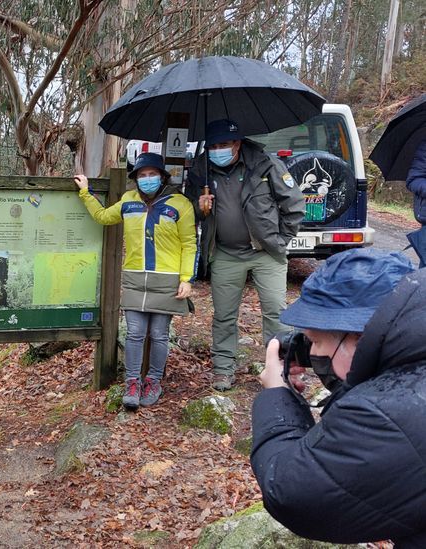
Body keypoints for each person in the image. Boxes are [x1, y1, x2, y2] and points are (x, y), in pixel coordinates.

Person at [251, 248, 426, 546]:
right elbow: (378, 370)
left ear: (359, 336)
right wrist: (308, 348)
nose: (315, 353)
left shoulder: (389, 416)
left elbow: (291, 493)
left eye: (317, 342)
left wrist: (277, 397)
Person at [185, 119, 305, 391]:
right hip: (225, 252)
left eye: (224, 145)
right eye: (213, 145)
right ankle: (223, 369)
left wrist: (280, 239)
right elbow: (188, 209)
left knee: (276, 312)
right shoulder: (201, 169)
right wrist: (198, 206)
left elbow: (294, 204)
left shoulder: (265, 164)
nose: (218, 150)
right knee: (224, 314)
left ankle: (281, 370)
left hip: (265, 252)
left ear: (237, 144)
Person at [75, 153, 196, 409]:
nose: (147, 179)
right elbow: (103, 217)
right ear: (136, 179)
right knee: (135, 333)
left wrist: (186, 278)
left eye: (152, 174)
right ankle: (132, 382)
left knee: (159, 334)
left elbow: (189, 243)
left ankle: (153, 381)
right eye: (142, 175)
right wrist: (86, 192)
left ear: (162, 176)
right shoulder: (128, 201)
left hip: (167, 279)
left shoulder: (180, 204)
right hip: (134, 278)